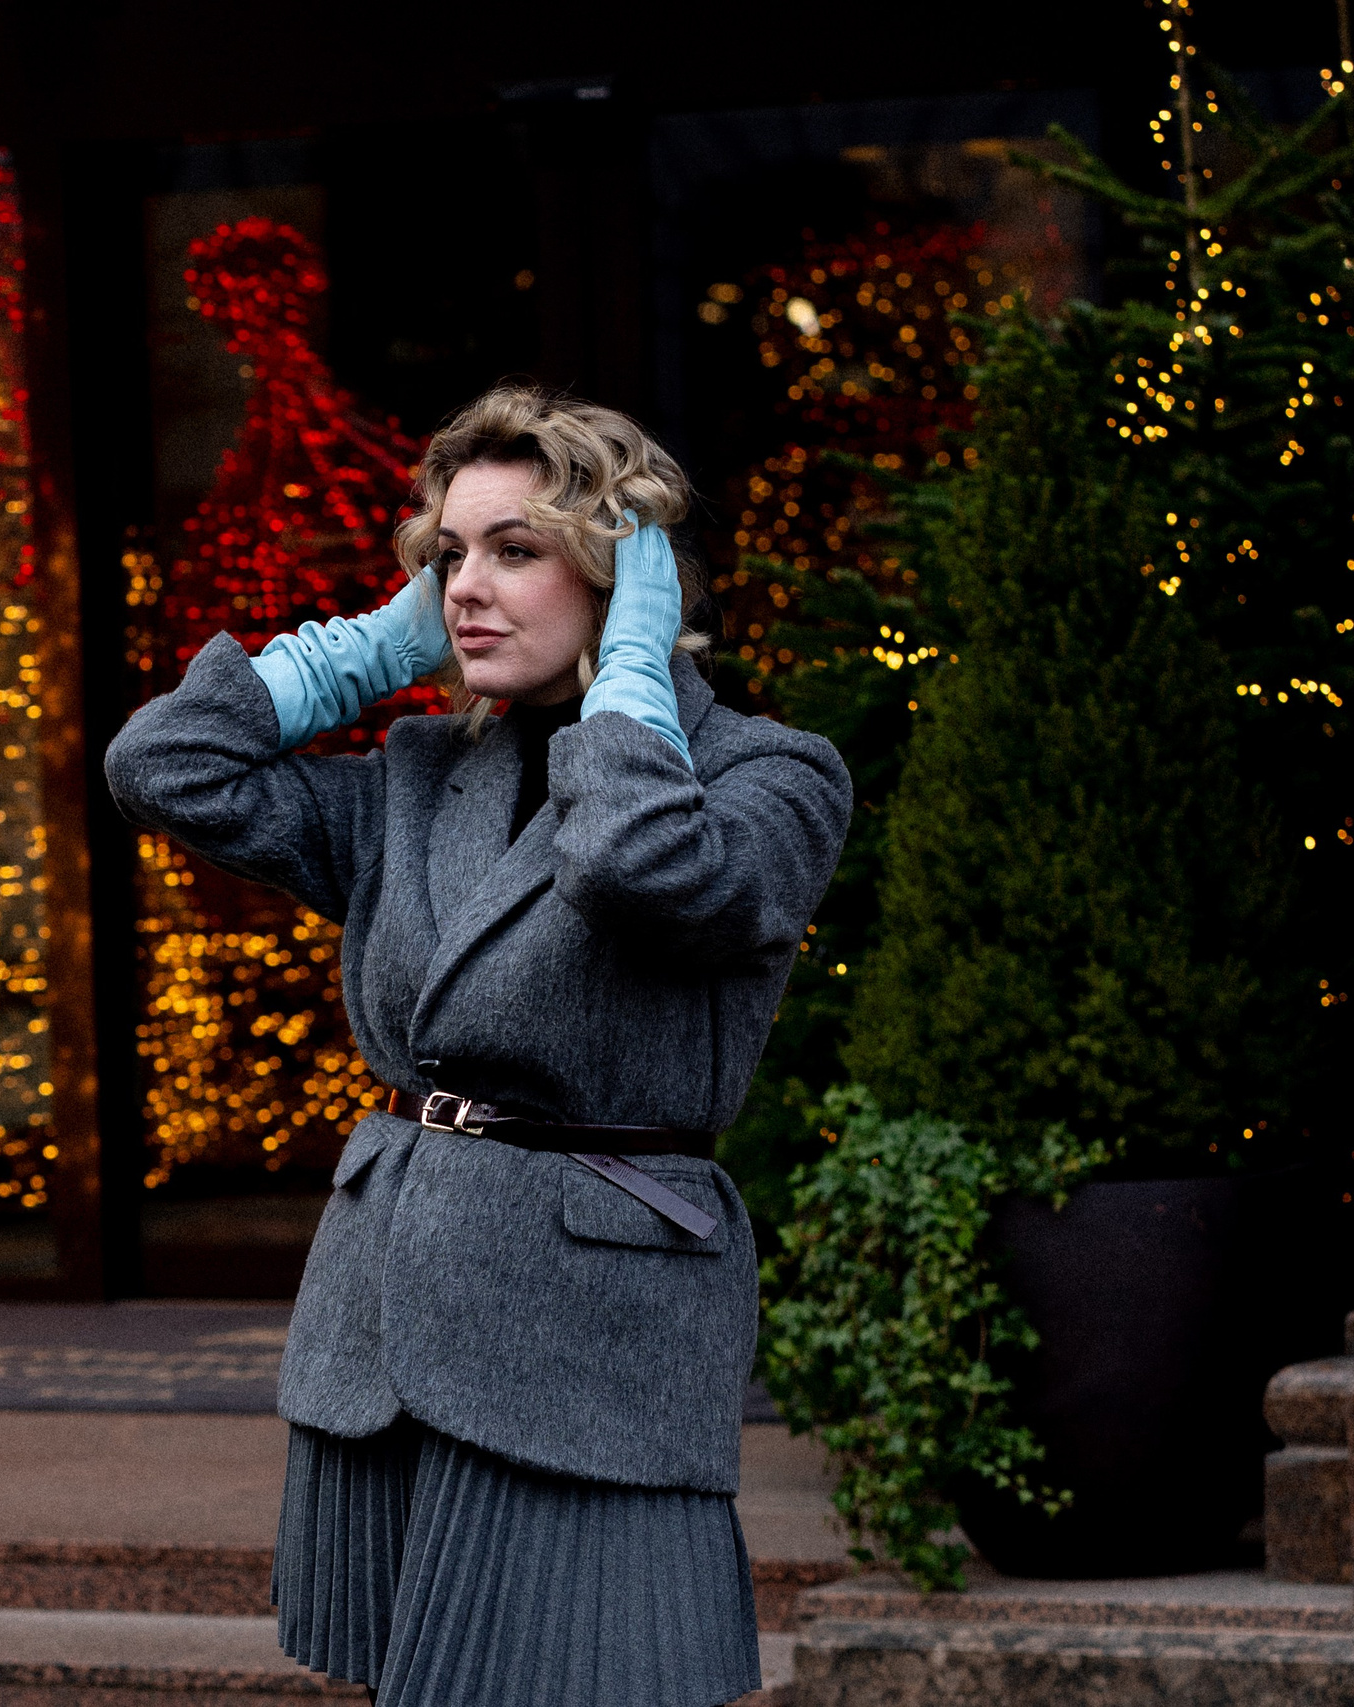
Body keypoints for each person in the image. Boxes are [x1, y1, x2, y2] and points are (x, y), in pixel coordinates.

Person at [104, 385, 852, 1706]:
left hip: (585, 1343)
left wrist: (634, 682)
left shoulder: (769, 775)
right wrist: (356, 654)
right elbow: (164, 768)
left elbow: (640, 862)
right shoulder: (420, 774)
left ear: (625, 578)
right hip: (388, 1316)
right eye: (450, 554)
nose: (465, 588)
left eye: (517, 548)